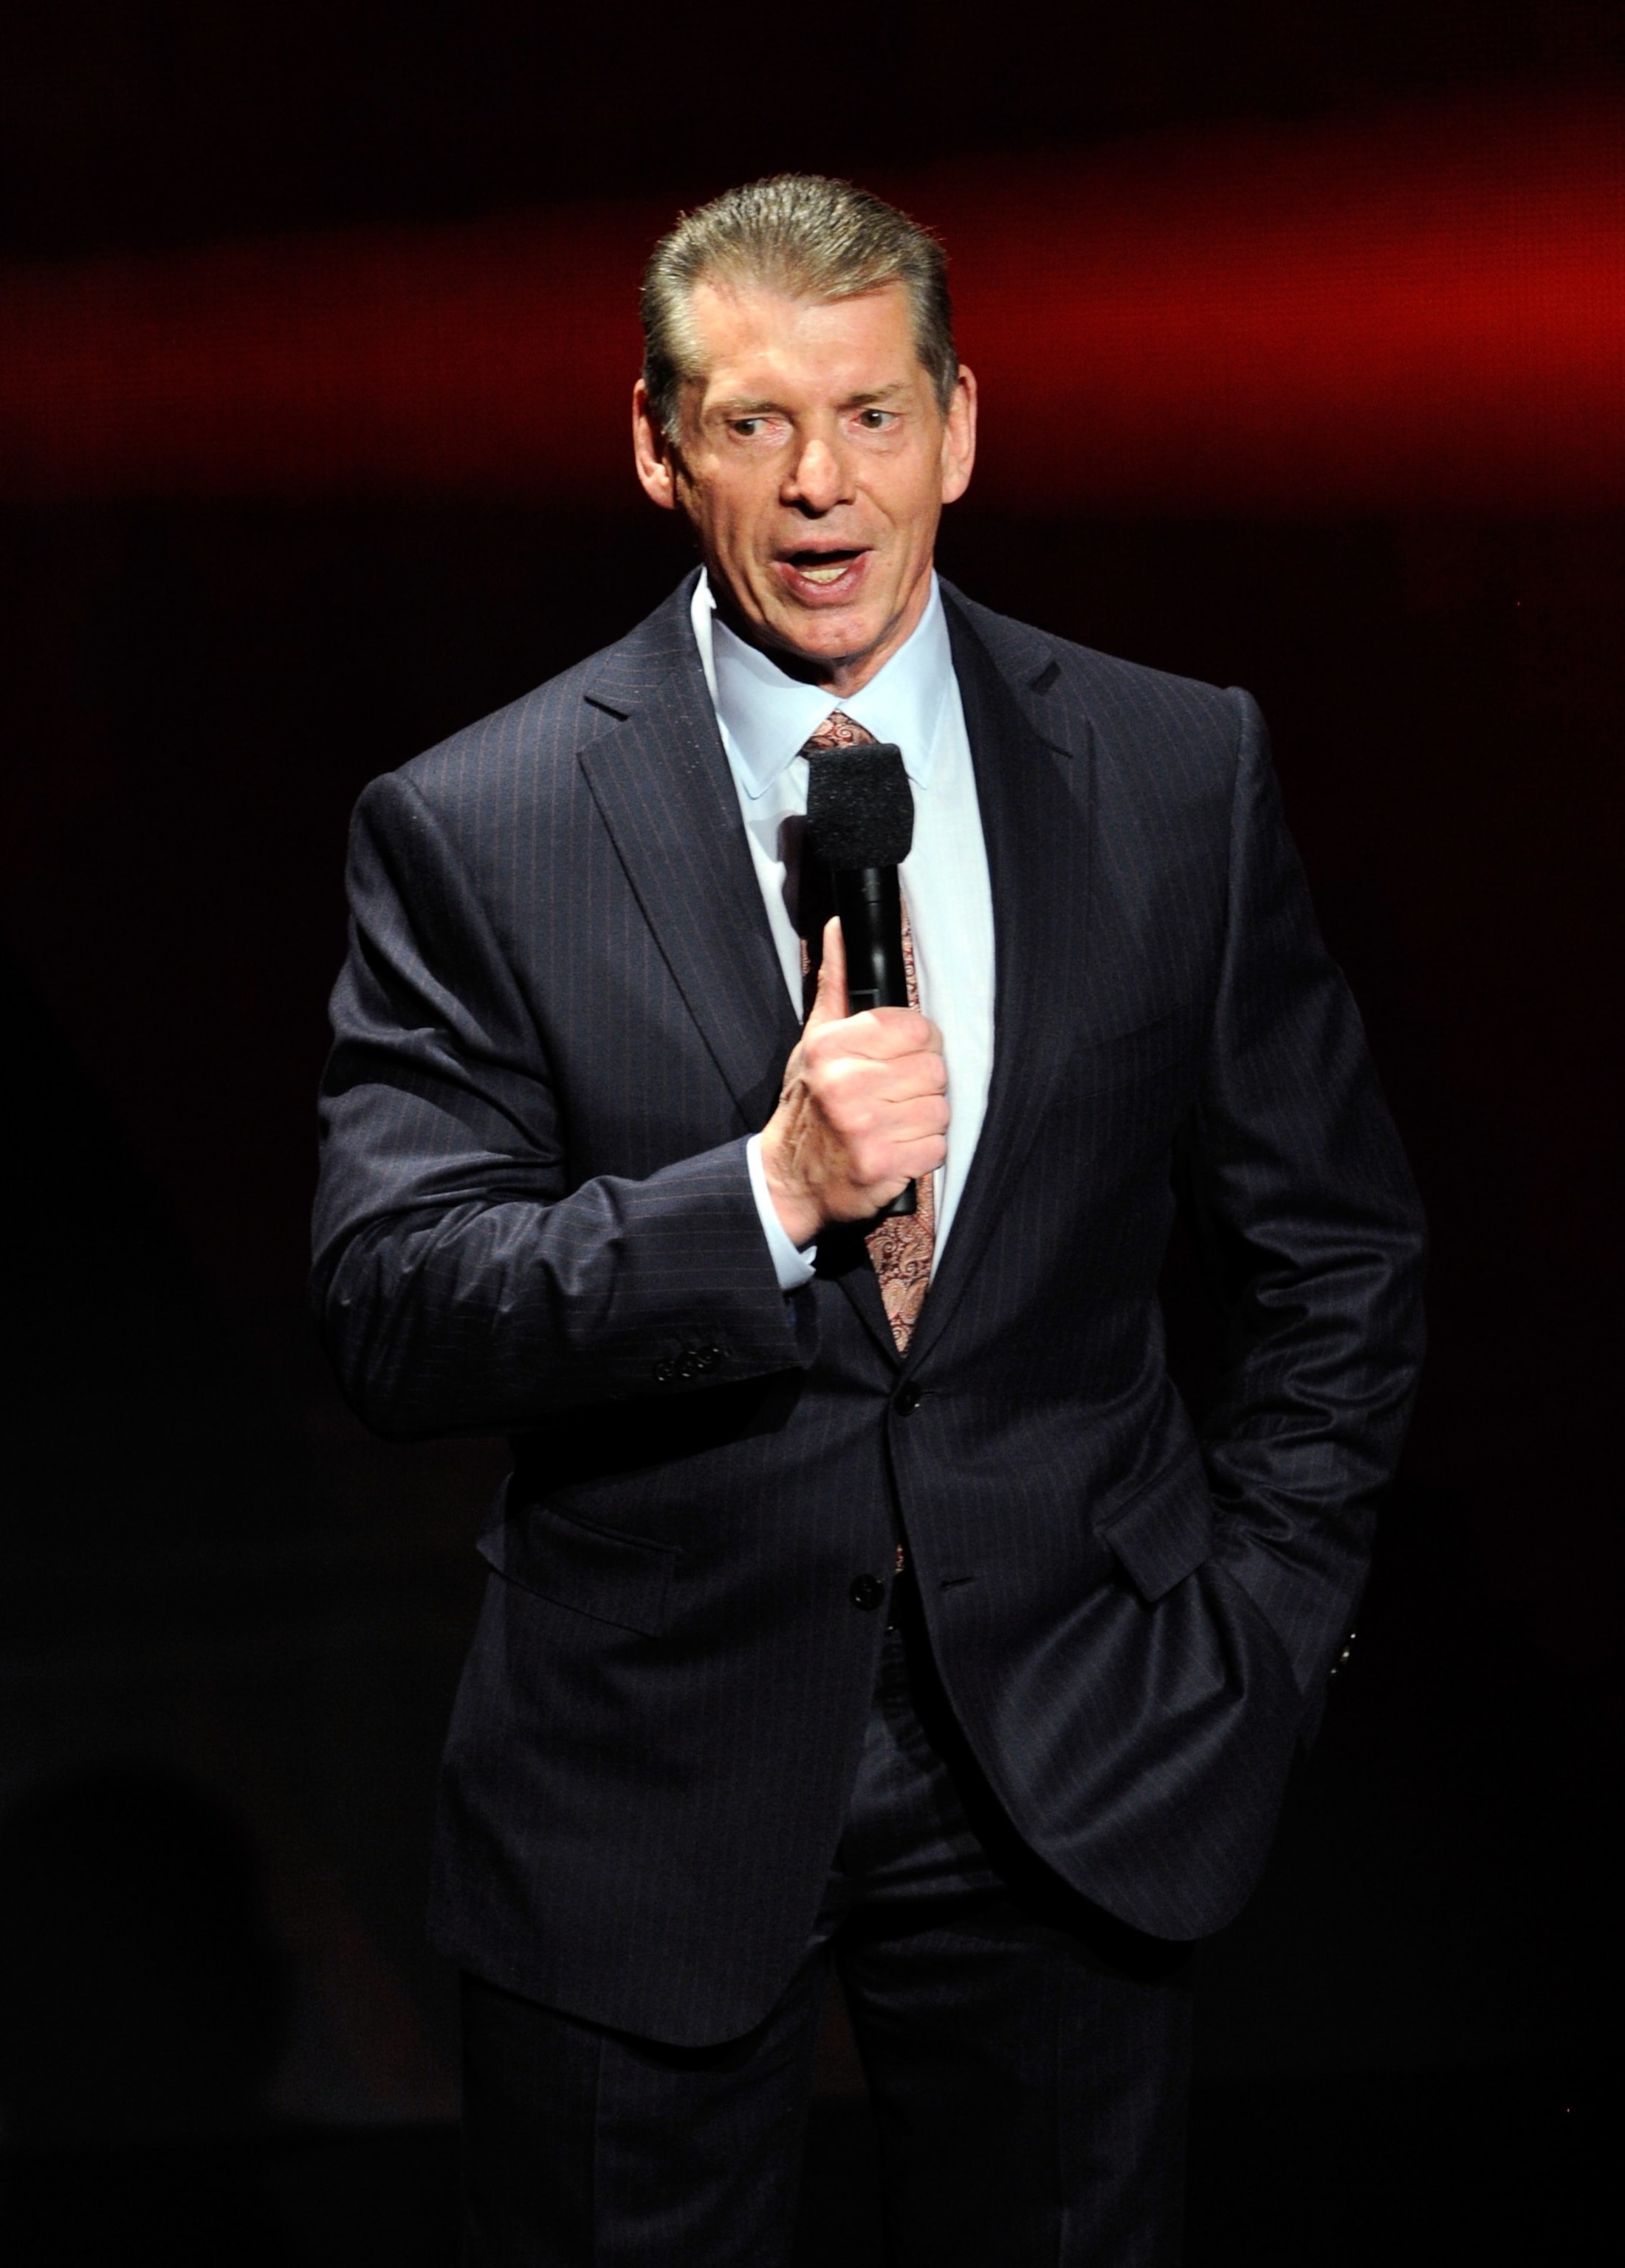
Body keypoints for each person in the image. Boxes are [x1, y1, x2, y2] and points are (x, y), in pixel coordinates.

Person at [312, 176, 1426, 2267]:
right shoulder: (478, 824)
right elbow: (393, 1309)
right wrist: (762, 1198)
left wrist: (1261, 1637)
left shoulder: (1177, 769)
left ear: (962, 426)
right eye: (751, 425)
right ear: (655, 447)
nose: (820, 486)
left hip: (1078, 1762)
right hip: (648, 1788)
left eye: (872, 416)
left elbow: (1334, 1248)